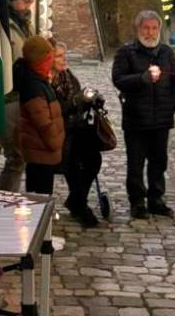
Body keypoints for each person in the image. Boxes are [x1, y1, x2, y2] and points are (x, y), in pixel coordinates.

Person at [112, 10, 175, 219]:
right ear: (138, 29)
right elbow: (118, 79)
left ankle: (156, 198)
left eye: (154, 28)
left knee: (159, 161)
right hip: (136, 118)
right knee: (136, 163)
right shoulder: (126, 52)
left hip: (161, 118)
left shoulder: (166, 53)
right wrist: (142, 78)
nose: (150, 33)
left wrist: (173, 104)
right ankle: (137, 201)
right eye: (146, 28)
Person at [51, 40, 104, 227]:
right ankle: (80, 205)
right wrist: (75, 102)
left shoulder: (68, 77)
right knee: (72, 161)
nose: (63, 60)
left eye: (64, 56)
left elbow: (78, 100)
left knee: (93, 159)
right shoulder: (47, 82)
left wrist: (91, 100)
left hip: (75, 129)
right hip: (56, 134)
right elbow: (56, 110)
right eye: (59, 56)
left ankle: (76, 199)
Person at [0, 0, 37, 192]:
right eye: (24, 1)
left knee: (18, 159)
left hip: (23, 96)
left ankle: (8, 200)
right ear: (12, 1)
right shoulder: (4, 27)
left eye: (31, 1)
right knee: (15, 158)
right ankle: (3, 202)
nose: (28, 6)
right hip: (8, 98)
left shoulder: (26, 25)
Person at [14, 36, 65, 194]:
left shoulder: (39, 80)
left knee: (40, 194)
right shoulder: (33, 85)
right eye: (49, 58)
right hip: (40, 151)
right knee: (40, 196)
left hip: (42, 150)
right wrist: (55, 142)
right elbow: (43, 122)